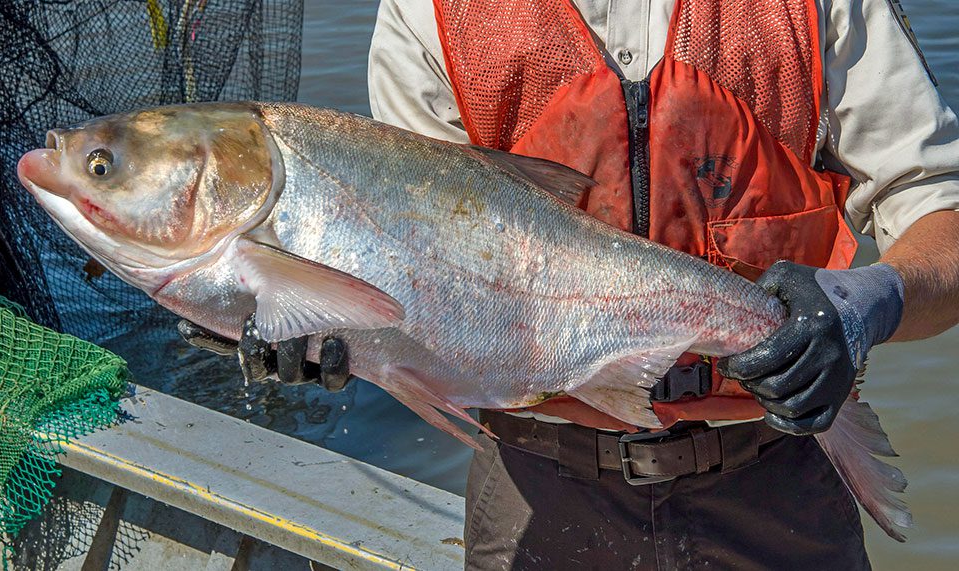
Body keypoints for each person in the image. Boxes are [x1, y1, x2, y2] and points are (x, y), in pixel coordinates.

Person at [360, 0, 959, 569]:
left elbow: (940, 207)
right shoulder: (428, 12)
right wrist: (336, 333)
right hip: (533, 484)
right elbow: (412, 261)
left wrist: (865, 307)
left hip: (778, 476)